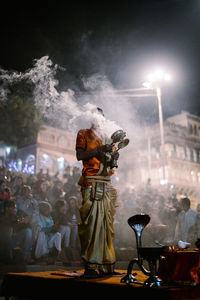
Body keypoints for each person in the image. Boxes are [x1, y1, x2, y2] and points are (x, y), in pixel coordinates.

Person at [75, 107, 120, 277]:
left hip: (106, 182)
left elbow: (114, 158)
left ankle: (107, 266)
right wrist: (100, 151)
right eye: (97, 118)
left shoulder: (108, 137)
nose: (99, 121)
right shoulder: (83, 133)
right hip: (91, 182)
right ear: (92, 118)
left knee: (106, 225)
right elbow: (80, 156)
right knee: (92, 223)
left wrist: (115, 156)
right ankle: (91, 266)